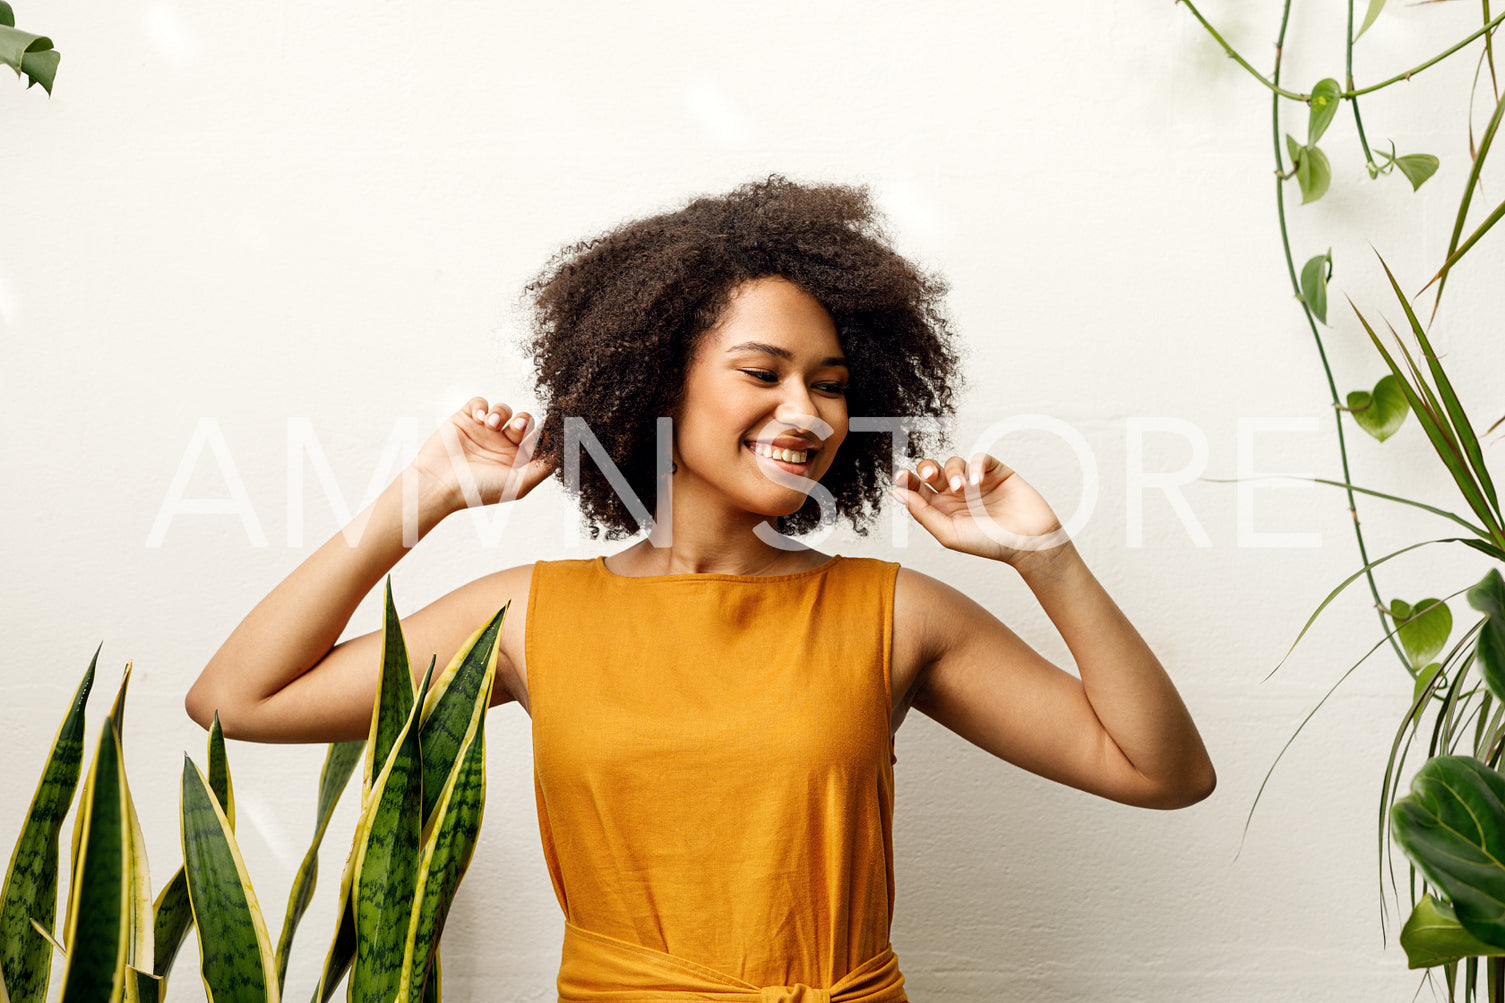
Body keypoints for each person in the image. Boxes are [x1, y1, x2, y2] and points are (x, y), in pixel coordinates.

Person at [185, 175, 1215, 1002]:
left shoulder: (893, 613)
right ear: (656, 380)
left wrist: (1046, 558)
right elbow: (236, 699)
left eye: (829, 383)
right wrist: (425, 494)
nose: (804, 411)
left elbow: (1160, 772)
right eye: (762, 373)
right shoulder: (531, 615)